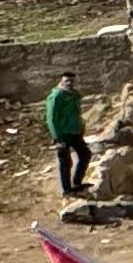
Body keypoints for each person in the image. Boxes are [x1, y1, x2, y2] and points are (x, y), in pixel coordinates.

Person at [44, 70, 92, 198]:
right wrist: (57, 138)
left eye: (71, 81)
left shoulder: (74, 94)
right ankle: (67, 191)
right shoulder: (56, 96)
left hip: (75, 133)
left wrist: (81, 127)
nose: (69, 83)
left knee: (85, 155)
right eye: (66, 81)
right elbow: (51, 118)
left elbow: (77, 113)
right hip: (63, 134)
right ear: (61, 81)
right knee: (65, 162)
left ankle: (77, 183)